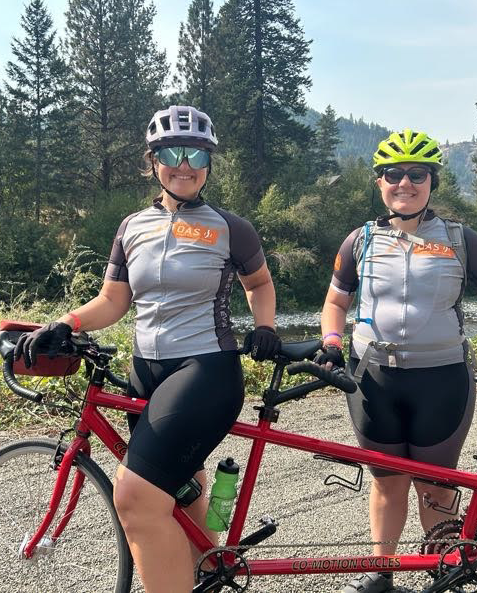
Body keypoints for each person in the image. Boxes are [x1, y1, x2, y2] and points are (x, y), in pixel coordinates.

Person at [15, 105, 280, 593]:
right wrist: (65, 322)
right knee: (182, 487)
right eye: (172, 153)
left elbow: (259, 282)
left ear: (209, 162)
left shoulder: (230, 227)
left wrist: (265, 325)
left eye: (196, 153)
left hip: (205, 369)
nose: (185, 164)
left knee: (135, 497)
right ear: (152, 160)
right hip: (147, 372)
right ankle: (206, 576)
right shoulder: (132, 226)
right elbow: (114, 301)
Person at [315, 129, 477, 593]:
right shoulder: (359, 241)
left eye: (417, 174)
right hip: (373, 378)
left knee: (436, 485)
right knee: (386, 481)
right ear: (379, 182)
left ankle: (445, 572)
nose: (405, 183)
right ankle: (381, 574)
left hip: (442, 379)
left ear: (432, 181)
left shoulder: (462, 240)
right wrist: (331, 340)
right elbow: (334, 302)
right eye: (394, 174)